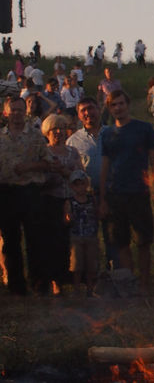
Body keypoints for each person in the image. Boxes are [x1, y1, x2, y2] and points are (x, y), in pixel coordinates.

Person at [99, 90, 154, 291]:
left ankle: (144, 282)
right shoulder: (106, 133)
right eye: (114, 105)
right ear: (110, 108)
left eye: (121, 104)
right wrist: (102, 198)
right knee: (121, 242)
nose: (118, 108)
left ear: (128, 104)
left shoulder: (143, 129)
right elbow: (105, 166)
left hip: (139, 191)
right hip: (115, 193)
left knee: (143, 241)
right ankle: (129, 283)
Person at [0, 96, 52, 295]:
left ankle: (39, 282)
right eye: (12, 110)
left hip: (31, 191)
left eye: (20, 110)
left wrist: (30, 166)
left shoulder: (36, 136)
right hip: (6, 192)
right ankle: (16, 286)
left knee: (35, 239)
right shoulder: (0, 138)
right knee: (10, 240)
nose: (16, 113)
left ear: (26, 112)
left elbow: (48, 163)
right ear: (6, 113)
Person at [67, 97, 117, 270]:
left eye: (91, 108)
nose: (88, 113)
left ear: (99, 109)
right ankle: (91, 275)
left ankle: (115, 271)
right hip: (86, 197)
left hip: (111, 192)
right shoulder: (73, 141)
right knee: (88, 238)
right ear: (79, 116)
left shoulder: (112, 133)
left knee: (112, 235)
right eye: (83, 111)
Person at [41, 114, 81, 292]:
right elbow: (39, 178)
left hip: (73, 200)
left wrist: (65, 172)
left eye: (62, 128)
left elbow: (80, 176)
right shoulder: (44, 153)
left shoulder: (73, 152)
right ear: (47, 132)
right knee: (53, 242)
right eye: (54, 129)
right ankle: (55, 281)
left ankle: (73, 277)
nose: (59, 132)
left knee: (71, 241)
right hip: (51, 201)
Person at [65, 169, 99, 296]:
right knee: (77, 265)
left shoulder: (92, 199)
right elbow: (66, 218)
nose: (80, 187)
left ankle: (90, 289)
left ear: (87, 184)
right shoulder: (70, 202)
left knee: (91, 265)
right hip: (76, 237)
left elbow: (97, 213)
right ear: (72, 186)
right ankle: (77, 289)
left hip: (91, 236)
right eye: (76, 184)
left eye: (82, 184)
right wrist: (68, 218)